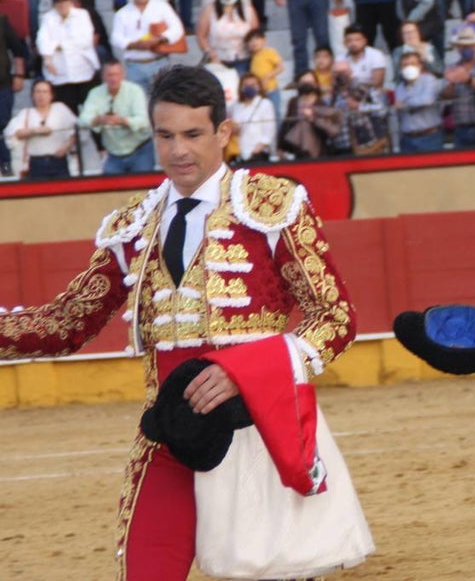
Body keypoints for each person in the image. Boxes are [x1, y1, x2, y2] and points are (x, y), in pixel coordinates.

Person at [3, 66, 363, 578]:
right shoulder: (134, 225)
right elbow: (68, 321)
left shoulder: (270, 207)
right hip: (169, 429)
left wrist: (247, 370)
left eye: (193, 135)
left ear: (223, 133)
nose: (178, 151)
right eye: (165, 136)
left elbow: (336, 317)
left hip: (258, 424)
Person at [111, 0, 186, 91]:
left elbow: (177, 28)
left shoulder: (161, 7)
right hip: (134, 65)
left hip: (159, 62)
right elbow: (116, 38)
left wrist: (159, 40)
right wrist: (135, 45)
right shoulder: (122, 13)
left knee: (162, 99)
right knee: (139, 103)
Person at [78, 60, 154, 174]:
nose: (113, 78)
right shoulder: (95, 93)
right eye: (110, 75)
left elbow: (144, 121)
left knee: (144, 189)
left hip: (140, 150)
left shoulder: (135, 91)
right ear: (103, 77)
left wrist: (122, 121)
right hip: (114, 153)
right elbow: (82, 120)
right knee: (110, 188)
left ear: (123, 75)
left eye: (116, 74)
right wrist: (99, 119)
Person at [36, 0, 100, 114]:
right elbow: (42, 41)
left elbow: (85, 40)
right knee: (68, 114)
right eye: (58, 2)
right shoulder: (48, 18)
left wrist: (58, 46)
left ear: (70, 2)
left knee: (92, 112)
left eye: (64, 1)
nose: (62, 5)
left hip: (84, 72)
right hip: (61, 75)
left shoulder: (82, 15)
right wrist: (48, 59)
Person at [4, 79, 74, 179]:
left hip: (59, 162)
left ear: (51, 95)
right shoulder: (26, 113)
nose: (41, 95)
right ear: (32, 95)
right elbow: (13, 133)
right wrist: (35, 131)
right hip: (36, 163)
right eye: (38, 92)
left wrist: (66, 147)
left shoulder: (60, 109)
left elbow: (76, 130)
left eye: (45, 92)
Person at [196, 0, 258, 71]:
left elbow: (255, 35)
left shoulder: (247, 10)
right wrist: (211, 55)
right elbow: (201, 35)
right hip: (218, 59)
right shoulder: (210, 10)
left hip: (243, 59)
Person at [394, 50, 444, 152]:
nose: (408, 67)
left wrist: (405, 104)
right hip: (408, 139)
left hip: (429, 137)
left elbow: (427, 100)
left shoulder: (429, 80)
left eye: (412, 64)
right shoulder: (399, 88)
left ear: (420, 65)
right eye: (405, 65)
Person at [229, 72, 276, 162]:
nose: (249, 87)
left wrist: (255, 152)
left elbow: (269, 132)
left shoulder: (265, 104)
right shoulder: (236, 105)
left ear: (258, 87)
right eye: (246, 85)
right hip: (238, 154)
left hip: (257, 154)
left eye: (253, 85)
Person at [340, 23, 390, 99]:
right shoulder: (340, 58)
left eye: (357, 40)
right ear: (344, 42)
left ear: (365, 41)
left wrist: (354, 83)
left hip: (372, 95)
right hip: (349, 97)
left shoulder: (376, 55)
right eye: (349, 40)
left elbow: (377, 83)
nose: (353, 43)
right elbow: (339, 83)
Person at [245, 27, 284, 125]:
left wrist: (268, 76)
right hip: (260, 93)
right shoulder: (252, 58)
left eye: (257, 39)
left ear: (264, 40)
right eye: (250, 40)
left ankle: (278, 138)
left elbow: (280, 67)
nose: (253, 42)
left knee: (275, 114)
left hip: (271, 90)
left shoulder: (269, 52)